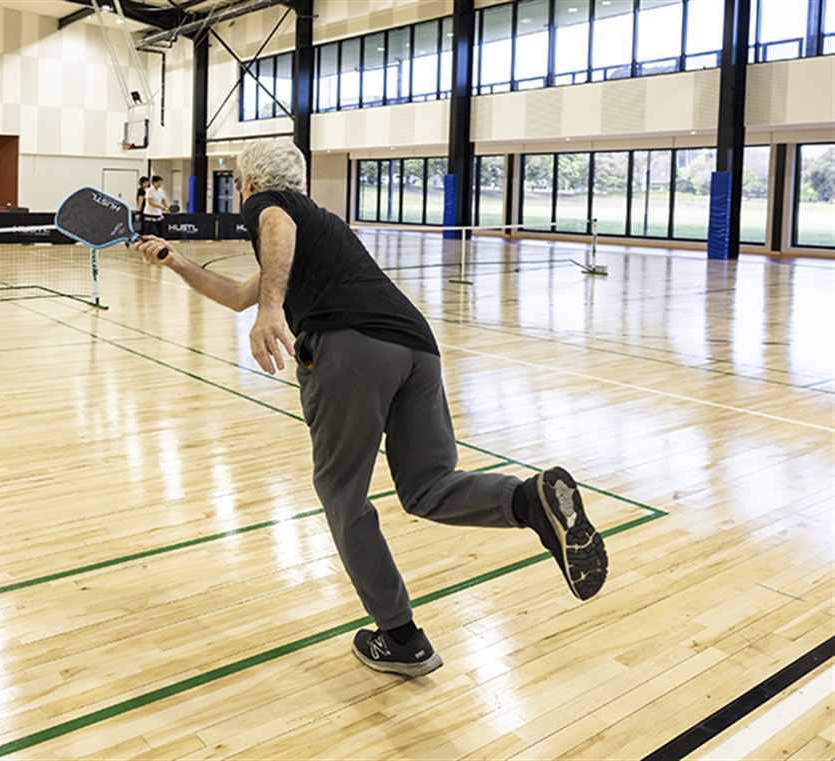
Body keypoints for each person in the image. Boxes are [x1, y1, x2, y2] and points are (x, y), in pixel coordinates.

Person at [135, 140, 608, 678]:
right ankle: (529, 501)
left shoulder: (268, 205)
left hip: (350, 349)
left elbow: (271, 238)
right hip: (415, 346)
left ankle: (400, 637)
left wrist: (272, 312)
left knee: (342, 496)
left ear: (249, 183)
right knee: (428, 487)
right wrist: (173, 260)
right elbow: (242, 291)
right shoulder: (320, 222)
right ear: (304, 183)